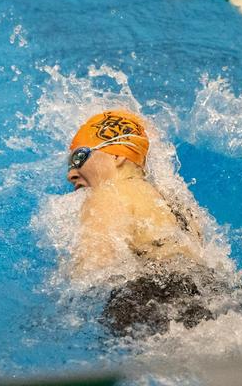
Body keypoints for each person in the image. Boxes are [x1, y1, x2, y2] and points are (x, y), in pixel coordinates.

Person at [66, 110, 223, 337]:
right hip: (214, 291)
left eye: (78, 157)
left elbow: (90, 271)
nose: (71, 173)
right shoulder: (176, 202)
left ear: (117, 155)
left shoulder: (110, 193)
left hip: (157, 301)